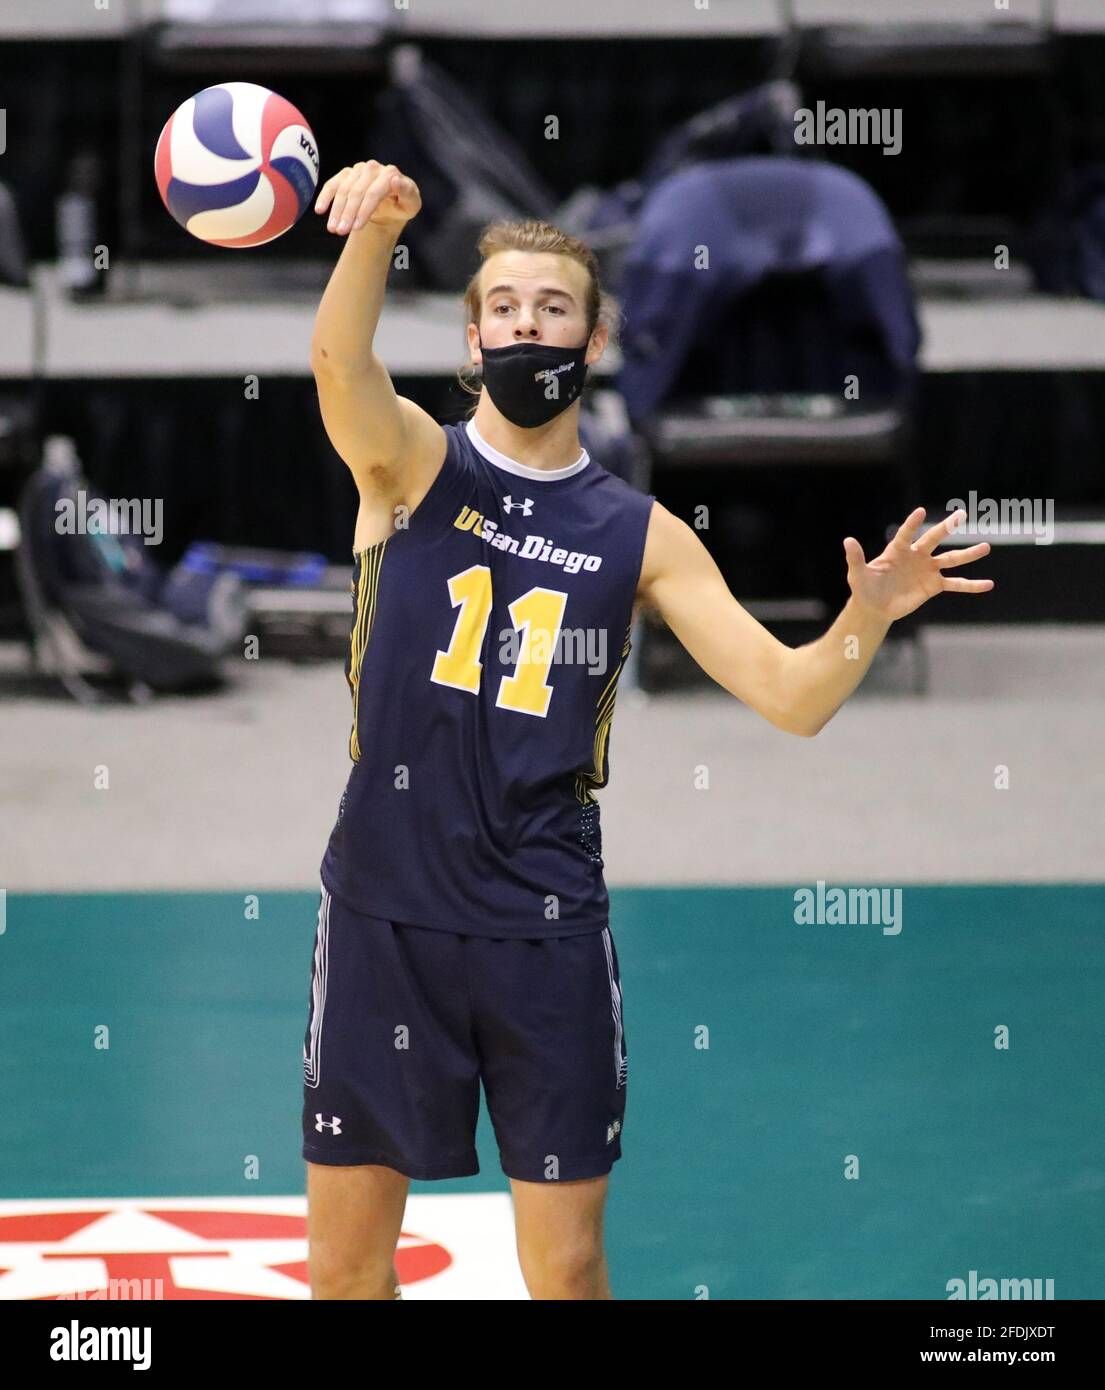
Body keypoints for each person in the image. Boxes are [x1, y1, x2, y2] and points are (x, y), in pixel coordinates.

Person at [302, 162, 993, 1302]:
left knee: (566, 1269)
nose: (530, 324)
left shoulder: (642, 534)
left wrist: (864, 617)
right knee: (343, 1268)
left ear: (598, 339)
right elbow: (339, 359)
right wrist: (374, 231)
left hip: (544, 924)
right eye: (506, 309)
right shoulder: (410, 463)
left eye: (555, 307)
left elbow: (793, 696)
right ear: (472, 342)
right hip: (385, 912)